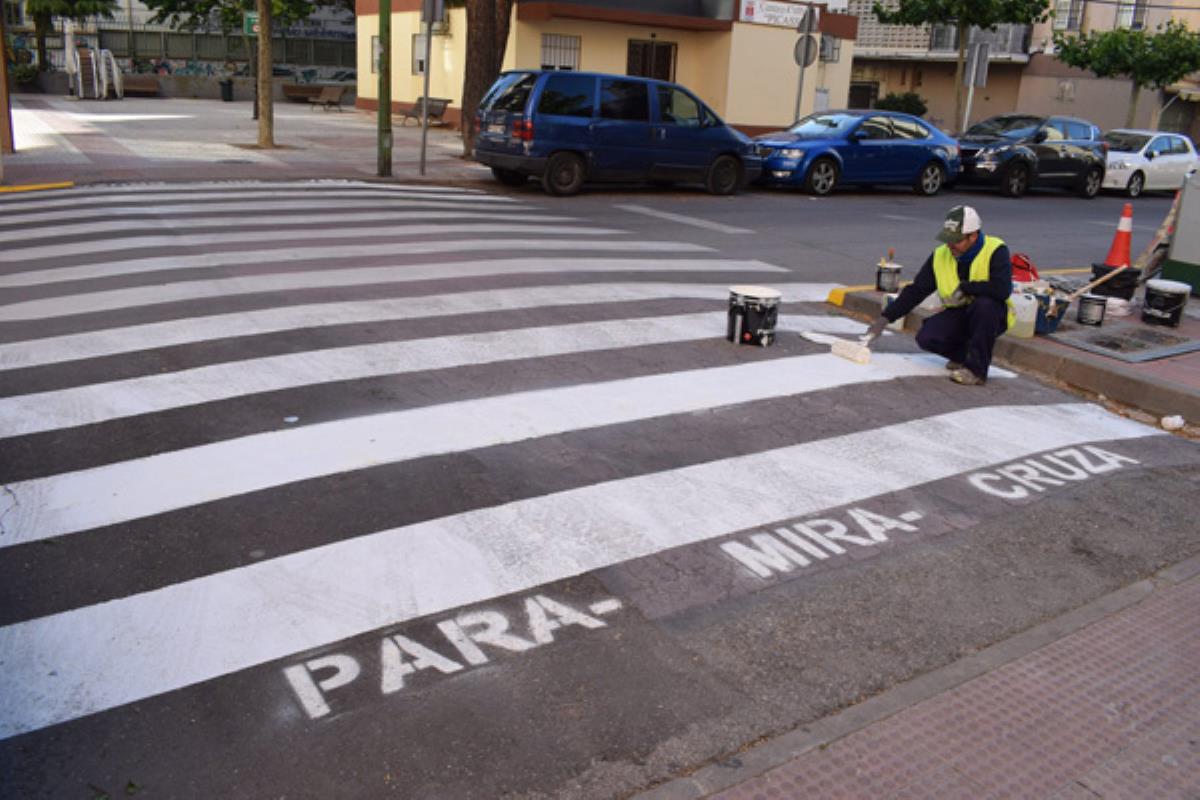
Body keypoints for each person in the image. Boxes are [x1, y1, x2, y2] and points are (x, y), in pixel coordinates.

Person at [866, 205, 1013, 386]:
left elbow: (1002, 288)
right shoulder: (940, 255)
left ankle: (976, 371)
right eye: (948, 239)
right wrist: (885, 318)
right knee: (927, 337)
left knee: (985, 306)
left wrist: (967, 288)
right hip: (959, 313)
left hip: (991, 315)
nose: (950, 245)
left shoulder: (995, 249)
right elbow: (917, 290)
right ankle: (964, 356)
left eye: (956, 240)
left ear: (973, 236)